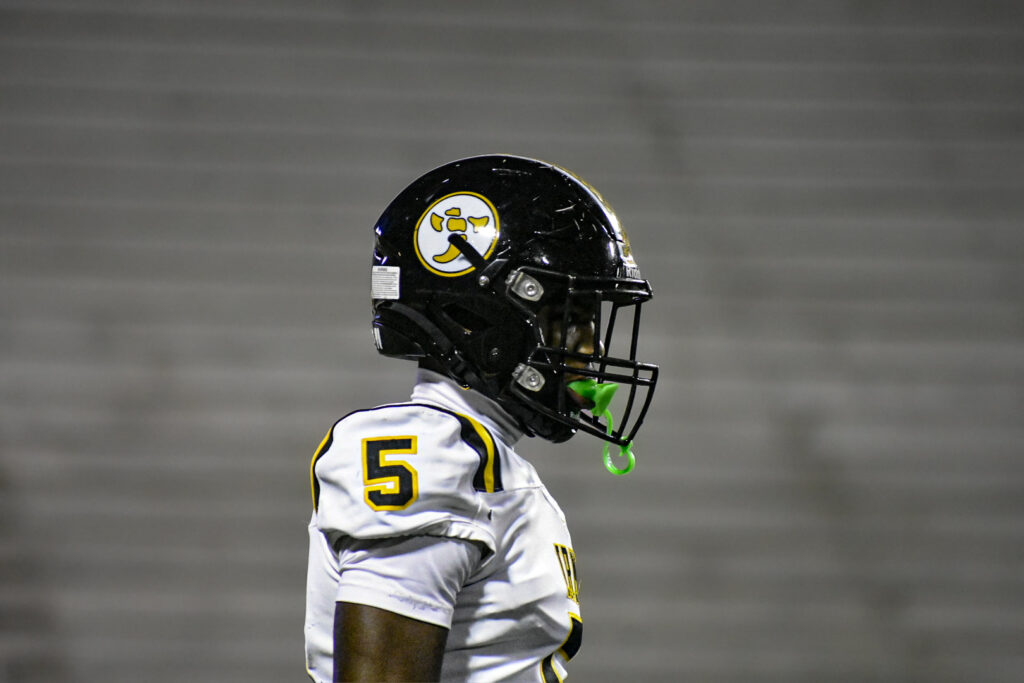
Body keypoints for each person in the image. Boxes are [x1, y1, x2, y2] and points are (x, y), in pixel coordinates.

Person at [304, 154, 659, 682]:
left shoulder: (485, 459)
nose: (592, 349)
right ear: (484, 315)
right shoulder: (432, 453)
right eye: (571, 318)